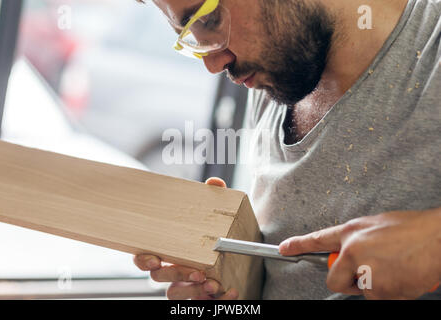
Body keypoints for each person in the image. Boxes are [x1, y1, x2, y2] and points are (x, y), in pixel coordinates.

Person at [133, 0, 441, 299]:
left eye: (208, 19)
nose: (214, 64)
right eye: (191, 36)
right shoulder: (279, 71)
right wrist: (230, 279)